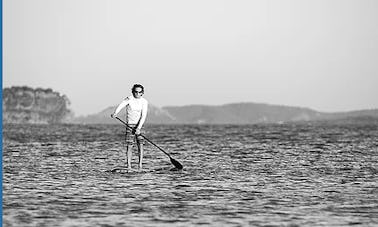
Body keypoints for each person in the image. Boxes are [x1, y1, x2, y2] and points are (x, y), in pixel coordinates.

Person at [111, 84, 148, 170]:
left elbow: (144, 116)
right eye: (136, 92)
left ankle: (140, 165)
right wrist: (115, 113)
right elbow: (121, 105)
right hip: (129, 125)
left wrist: (138, 128)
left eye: (139, 92)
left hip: (140, 125)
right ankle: (129, 166)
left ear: (142, 93)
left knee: (140, 145)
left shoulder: (144, 102)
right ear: (133, 92)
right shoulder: (129, 99)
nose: (137, 94)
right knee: (129, 145)